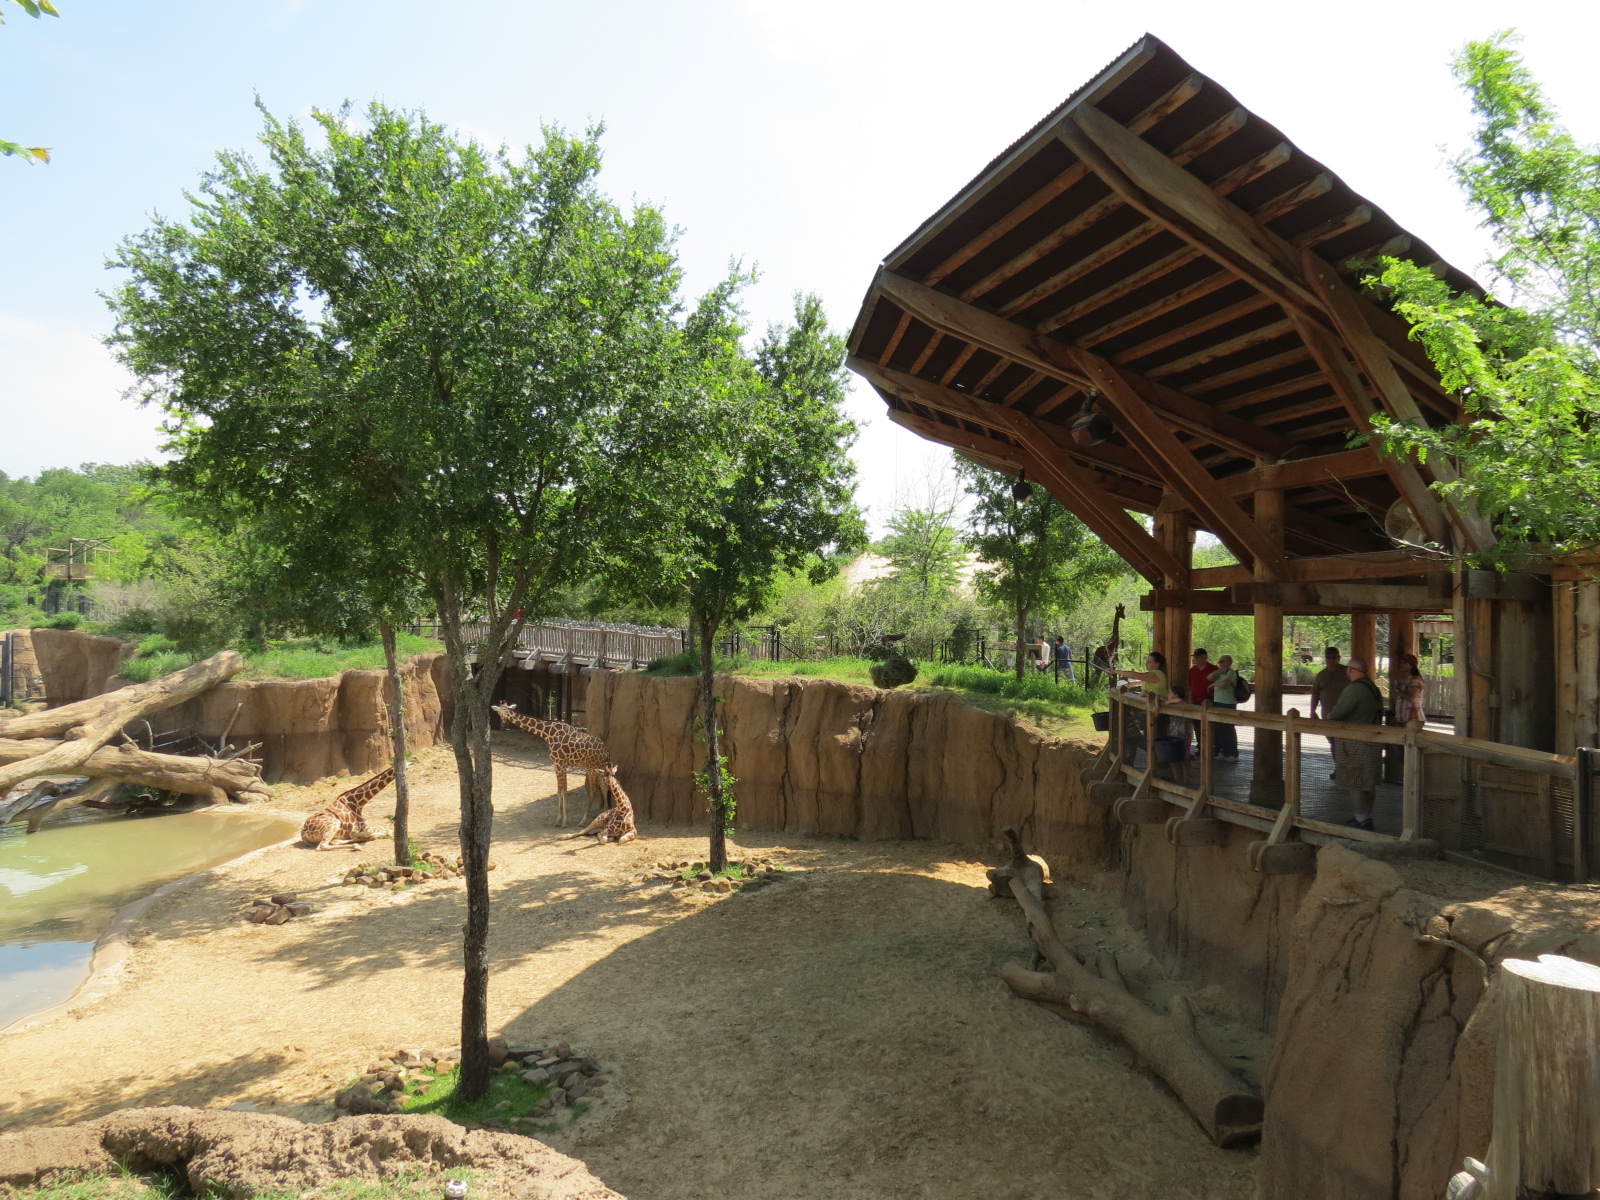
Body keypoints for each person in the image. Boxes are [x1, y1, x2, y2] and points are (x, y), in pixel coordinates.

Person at [1322, 656, 1385, 830]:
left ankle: (1360, 818)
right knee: (1368, 781)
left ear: (1351, 670)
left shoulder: (1354, 689)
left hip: (1355, 742)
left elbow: (1339, 711)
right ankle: (1366, 816)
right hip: (1372, 740)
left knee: (1355, 781)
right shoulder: (1373, 687)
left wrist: (1330, 716)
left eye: (1348, 669)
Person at [1310, 645, 1350, 778]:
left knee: (1347, 742)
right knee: (1333, 742)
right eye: (1328, 657)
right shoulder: (1321, 675)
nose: (1331, 660)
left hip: (1347, 714)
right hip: (1327, 715)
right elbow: (1315, 693)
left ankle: (1348, 769)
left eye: (1334, 657)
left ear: (1339, 658)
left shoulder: (1347, 672)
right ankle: (1339, 768)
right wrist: (1312, 711)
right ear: (1325, 658)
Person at [1207, 654, 1240, 760]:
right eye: (1220, 662)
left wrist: (1212, 685)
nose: (1221, 663)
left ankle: (1233, 753)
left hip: (1228, 703)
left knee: (1228, 728)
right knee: (1220, 728)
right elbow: (1209, 677)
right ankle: (1224, 751)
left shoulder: (1232, 672)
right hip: (1218, 702)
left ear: (1229, 662)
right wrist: (1218, 671)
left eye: (1223, 661)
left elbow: (1224, 683)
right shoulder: (1219, 673)